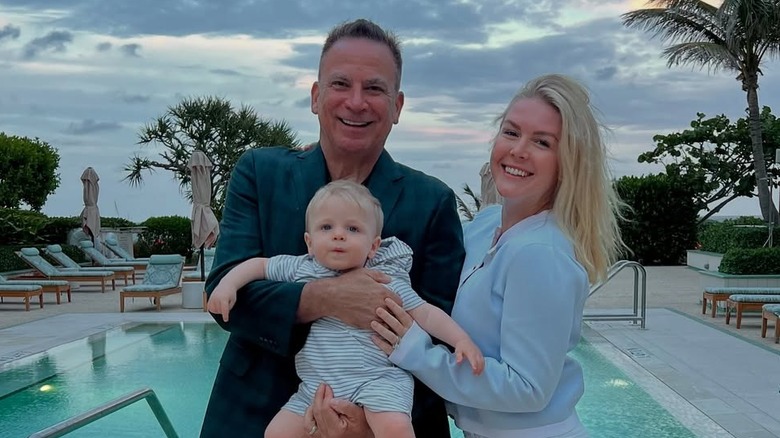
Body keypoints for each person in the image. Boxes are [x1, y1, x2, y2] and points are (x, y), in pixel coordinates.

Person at [200, 18, 466, 438]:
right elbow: (225, 295)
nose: (356, 102)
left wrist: (363, 425)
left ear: (397, 106)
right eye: (340, 84)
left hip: (379, 419)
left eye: (374, 89)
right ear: (315, 96)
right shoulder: (259, 173)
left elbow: (439, 337)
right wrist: (327, 297)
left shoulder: (430, 200)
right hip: (254, 414)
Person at [372, 74, 626, 438]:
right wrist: (336, 171)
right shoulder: (486, 225)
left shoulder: (540, 253)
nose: (519, 150)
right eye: (511, 132)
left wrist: (414, 350)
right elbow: (413, 239)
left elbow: (528, 388)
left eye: (542, 142)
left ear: (568, 162)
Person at [207, 180, 483, 438]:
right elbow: (259, 266)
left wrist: (460, 339)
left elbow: (425, 312)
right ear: (309, 242)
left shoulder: (384, 279)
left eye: (352, 229)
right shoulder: (303, 268)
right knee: (275, 433)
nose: (338, 235)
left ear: (373, 246)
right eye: (326, 228)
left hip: (377, 382)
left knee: (395, 428)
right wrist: (227, 286)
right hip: (317, 385)